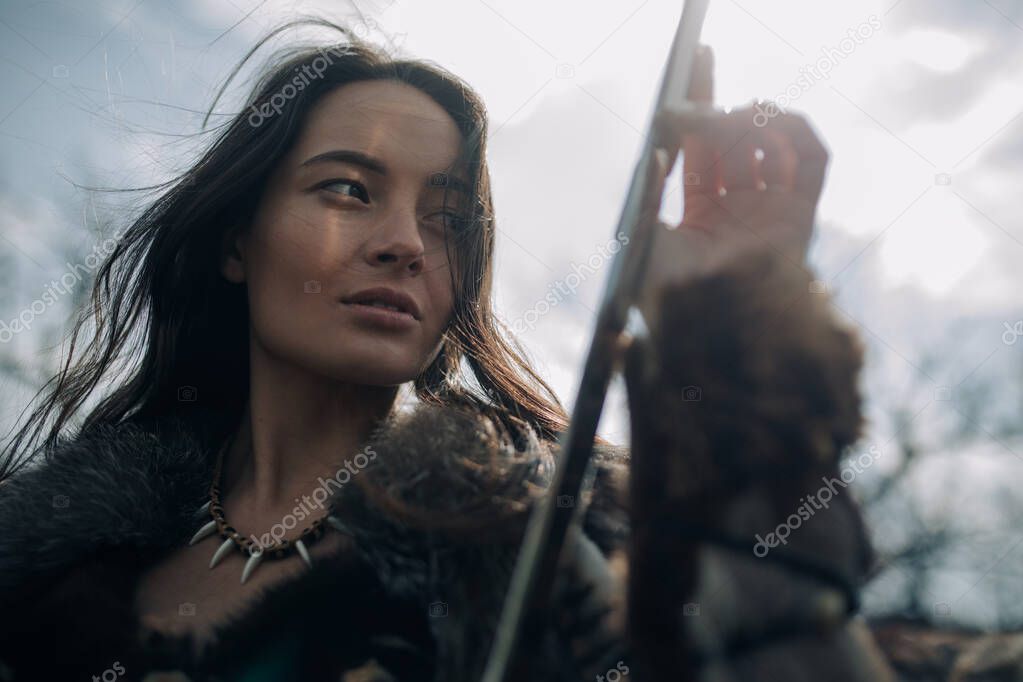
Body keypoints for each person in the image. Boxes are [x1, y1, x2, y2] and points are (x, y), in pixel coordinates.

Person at [0, 19, 887, 681]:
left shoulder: (538, 549)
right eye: (349, 189)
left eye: (450, 218)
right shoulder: (44, 562)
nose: (406, 244)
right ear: (238, 239)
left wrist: (727, 327)